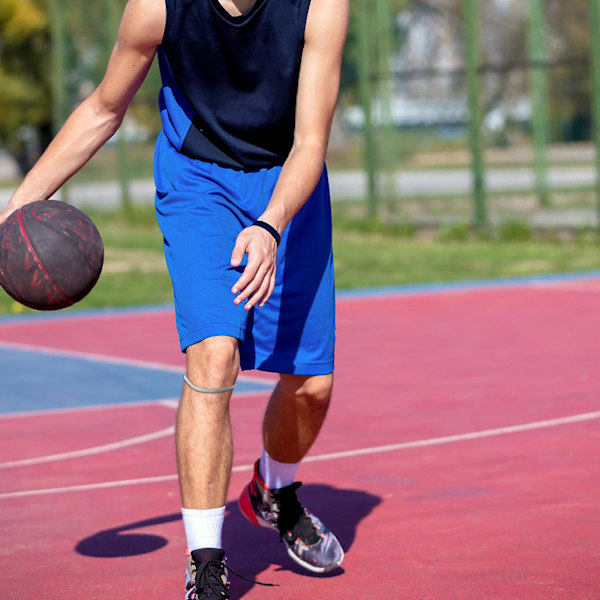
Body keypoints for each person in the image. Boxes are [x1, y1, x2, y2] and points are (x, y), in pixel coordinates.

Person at [0, 0, 349, 597]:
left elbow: (311, 142)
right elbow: (104, 109)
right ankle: (206, 565)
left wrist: (269, 225)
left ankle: (275, 491)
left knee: (311, 387)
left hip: (286, 181)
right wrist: (17, 205)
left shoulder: (319, 6)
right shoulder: (158, 6)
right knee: (214, 357)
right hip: (199, 180)